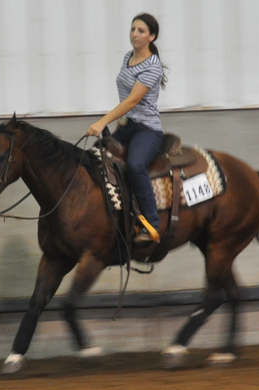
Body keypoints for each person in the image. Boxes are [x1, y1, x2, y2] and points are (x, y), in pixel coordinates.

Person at [86, 13, 167, 245]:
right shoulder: (128, 57)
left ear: (152, 37)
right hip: (127, 126)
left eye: (141, 31)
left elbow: (131, 101)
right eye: (133, 29)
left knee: (134, 165)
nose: (135, 34)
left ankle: (152, 224)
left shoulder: (153, 66)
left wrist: (103, 122)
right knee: (94, 157)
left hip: (147, 130)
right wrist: (117, 123)